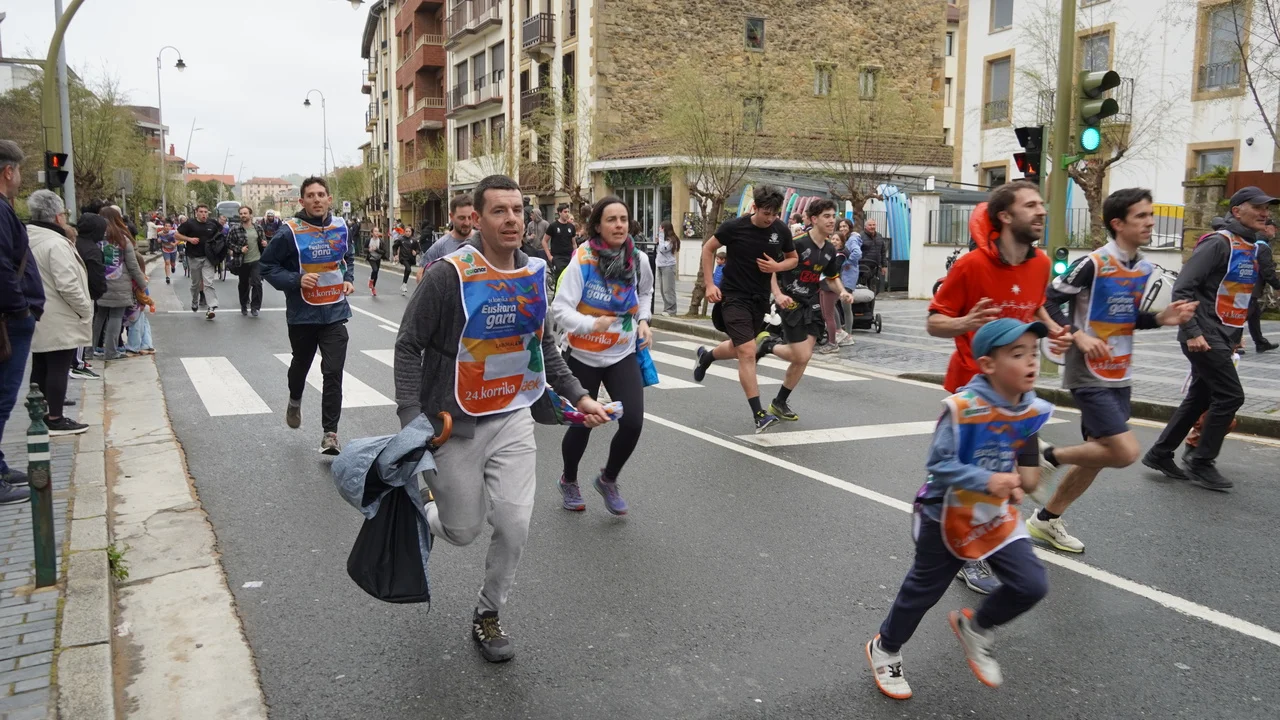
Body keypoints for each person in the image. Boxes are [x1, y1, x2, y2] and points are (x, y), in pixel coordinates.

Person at [392, 174, 610, 663]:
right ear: (477, 219)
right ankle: (426, 505)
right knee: (462, 531)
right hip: (455, 422)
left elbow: (542, 346)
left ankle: (488, 613)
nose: (512, 220)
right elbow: (408, 345)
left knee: (514, 525)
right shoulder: (448, 275)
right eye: (499, 211)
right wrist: (411, 420)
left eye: (517, 211)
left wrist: (579, 396)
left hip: (513, 416)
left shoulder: (533, 273)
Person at [866, 318, 1052, 700]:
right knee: (923, 592)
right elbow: (938, 464)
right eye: (1018, 354)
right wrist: (988, 480)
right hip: (946, 515)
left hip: (996, 516)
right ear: (988, 364)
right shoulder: (963, 407)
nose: (1031, 361)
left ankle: (977, 628)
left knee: (1032, 584)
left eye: (1034, 352)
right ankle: (885, 647)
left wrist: (1018, 480)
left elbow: (1023, 454)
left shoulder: (1029, 407)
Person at [1030, 189, 1198, 552]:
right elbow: (1048, 300)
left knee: (1098, 454)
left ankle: (1046, 519)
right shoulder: (1093, 263)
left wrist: (1160, 318)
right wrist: (1077, 335)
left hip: (1120, 372)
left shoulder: (1143, 268)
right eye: (1142, 216)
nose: (1150, 222)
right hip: (1087, 371)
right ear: (1118, 223)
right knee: (1123, 452)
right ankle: (1046, 455)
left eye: (1150, 215)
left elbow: (1127, 317)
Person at [926, 180, 1069, 595]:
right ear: (1005, 216)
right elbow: (934, 321)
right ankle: (967, 551)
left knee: (1027, 479)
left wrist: (1054, 329)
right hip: (973, 393)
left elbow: (1033, 303)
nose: (1041, 211)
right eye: (1031, 205)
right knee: (978, 479)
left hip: (1017, 395)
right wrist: (965, 323)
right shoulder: (971, 266)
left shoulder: (1041, 264)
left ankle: (996, 533)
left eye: (1042, 204)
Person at [1141, 186, 1274, 490]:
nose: (1265, 213)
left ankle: (1160, 453)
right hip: (1202, 333)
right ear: (1237, 211)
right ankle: (1200, 461)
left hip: (1222, 335)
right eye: (1257, 207)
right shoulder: (1218, 243)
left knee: (1200, 396)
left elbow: (1235, 296)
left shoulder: (1250, 246)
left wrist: (1236, 336)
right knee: (1231, 396)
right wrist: (1193, 332)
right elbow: (1183, 288)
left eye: (1266, 208)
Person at [551, 196, 654, 515]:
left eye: (623, 219)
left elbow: (645, 293)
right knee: (583, 424)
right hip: (583, 354)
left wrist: (644, 321)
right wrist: (591, 324)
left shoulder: (638, 259)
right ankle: (569, 479)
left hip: (621, 353)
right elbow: (560, 308)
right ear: (598, 225)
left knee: (633, 422)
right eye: (611, 219)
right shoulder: (583, 259)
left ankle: (608, 479)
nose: (619, 225)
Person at [261, 177, 355, 456]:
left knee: (333, 372)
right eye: (311, 195)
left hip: (335, 312)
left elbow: (347, 258)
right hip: (303, 314)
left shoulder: (340, 227)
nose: (317, 199)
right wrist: (296, 280)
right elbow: (267, 267)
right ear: (302, 201)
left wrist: (348, 278)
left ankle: (330, 434)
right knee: (301, 365)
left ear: (329, 199)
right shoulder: (289, 232)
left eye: (321, 194)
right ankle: (295, 399)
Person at [692, 185, 798, 432]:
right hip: (733, 297)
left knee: (740, 347)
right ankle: (759, 415)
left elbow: (793, 259)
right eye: (766, 213)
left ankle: (707, 357)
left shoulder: (780, 230)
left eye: (774, 214)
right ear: (755, 208)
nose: (770, 219)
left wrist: (777, 267)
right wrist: (709, 284)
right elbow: (708, 248)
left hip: (759, 299)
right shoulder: (734, 227)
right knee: (748, 351)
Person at [752, 199, 853, 418]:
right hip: (791, 302)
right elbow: (771, 269)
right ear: (814, 219)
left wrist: (842, 291)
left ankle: (779, 402)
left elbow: (832, 277)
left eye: (833, 216)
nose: (832, 221)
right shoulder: (796, 243)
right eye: (826, 216)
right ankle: (768, 345)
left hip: (812, 303)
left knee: (804, 357)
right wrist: (778, 294)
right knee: (801, 354)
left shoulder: (829, 249)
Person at [25, 190, 91, 436]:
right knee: (58, 365)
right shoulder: (55, 243)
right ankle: (54, 417)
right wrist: (84, 308)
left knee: (41, 364)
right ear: (56, 216)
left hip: (37, 310)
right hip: (58, 313)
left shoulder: (27, 237)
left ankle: (39, 414)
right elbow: (67, 284)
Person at [94, 207, 148, 361]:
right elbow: (133, 266)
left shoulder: (96, 237)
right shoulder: (122, 239)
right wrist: (143, 285)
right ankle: (111, 351)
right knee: (116, 317)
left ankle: (90, 349)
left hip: (100, 282)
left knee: (99, 317)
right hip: (119, 284)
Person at [70, 213, 107, 380]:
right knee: (82, 327)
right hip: (85, 293)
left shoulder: (73, 243)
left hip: (73, 292)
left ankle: (78, 360)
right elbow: (96, 274)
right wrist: (98, 291)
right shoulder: (92, 249)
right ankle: (77, 363)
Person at [176, 204, 225, 319]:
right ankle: (194, 300)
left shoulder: (212, 224)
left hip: (208, 257)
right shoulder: (189, 224)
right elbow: (176, 235)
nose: (204, 214)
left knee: (208, 282)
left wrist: (218, 245)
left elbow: (220, 234)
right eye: (201, 212)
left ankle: (211, 307)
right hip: (194, 257)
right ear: (196, 213)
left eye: (205, 212)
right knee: (196, 284)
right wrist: (189, 239)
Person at [1246, 218, 1279, 352]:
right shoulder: (1263, 247)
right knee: (1245, 315)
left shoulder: (1253, 242)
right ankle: (1230, 344)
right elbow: (1267, 271)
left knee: (1254, 315)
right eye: (1274, 228)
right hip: (1252, 286)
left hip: (1248, 284)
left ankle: (1260, 343)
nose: (1275, 231)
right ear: (1266, 228)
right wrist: (1278, 286)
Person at [419, 195, 476, 269]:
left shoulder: (484, 241)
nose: (467, 223)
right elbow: (421, 273)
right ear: (451, 217)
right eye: (462, 218)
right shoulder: (439, 247)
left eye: (470, 217)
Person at [229, 205, 266, 317]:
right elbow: (228, 243)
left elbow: (263, 241)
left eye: (245, 213)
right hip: (242, 261)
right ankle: (244, 305)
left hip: (256, 260)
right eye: (241, 214)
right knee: (244, 285)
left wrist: (264, 243)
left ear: (250, 215)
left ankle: (255, 307)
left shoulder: (258, 228)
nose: (243, 215)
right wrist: (240, 249)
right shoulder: (235, 229)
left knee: (257, 283)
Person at [542, 203, 578, 288]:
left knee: (570, 280)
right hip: (558, 257)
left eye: (568, 212)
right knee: (560, 280)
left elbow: (574, 243)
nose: (567, 214)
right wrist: (549, 256)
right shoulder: (553, 226)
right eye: (565, 212)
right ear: (559, 213)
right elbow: (544, 241)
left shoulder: (571, 227)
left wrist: (575, 255)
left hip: (569, 257)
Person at [655, 220, 680, 316]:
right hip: (661, 265)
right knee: (663, 289)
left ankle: (671, 310)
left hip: (668, 266)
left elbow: (663, 249)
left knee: (668, 289)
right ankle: (666, 308)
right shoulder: (664, 240)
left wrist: (661, 237)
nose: (659, 229)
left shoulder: (672, 240)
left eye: (661, 228)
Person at [860, 219, 890, 292]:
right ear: (865, 226)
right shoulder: (860, 236)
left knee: (876, 287)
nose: (872, 227)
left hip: (876, 267)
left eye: (873, 225)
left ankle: (872, 298)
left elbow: (883, 252)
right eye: (870, 225)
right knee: (864, 288)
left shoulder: (879, 236)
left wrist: (884, 266)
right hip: (863, 267)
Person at [392, 223, 420, 295]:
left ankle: (404, 284)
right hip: (403, 257)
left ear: (411, 232)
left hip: (410, 258)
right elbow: (395, 247)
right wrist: (395, 255)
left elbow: (418, 249)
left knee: (407, 270)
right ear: (404, 232)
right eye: (406, 231)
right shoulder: (401, 239)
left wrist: (416, 252)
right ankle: (404, 284)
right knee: (408, 269)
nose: (408, 233)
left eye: (409, 231)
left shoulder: (414, 240)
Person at [366, 225, 384, 297]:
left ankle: (373, 287)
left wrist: (376, 249)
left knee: (376, 273)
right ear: (372, 233)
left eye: (378, 231)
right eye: (375, 231)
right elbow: (364, 248)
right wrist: (369, 250)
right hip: (371, 258)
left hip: (378, 258)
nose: (377, 233)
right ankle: (371, 280)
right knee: (375, 269)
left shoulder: (381, 241)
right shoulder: (369, 240)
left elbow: (384, 251)